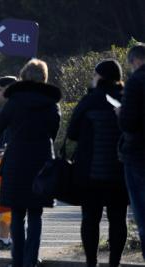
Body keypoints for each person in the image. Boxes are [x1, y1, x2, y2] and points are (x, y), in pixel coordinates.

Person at [0, 59, 60, 267]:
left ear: (23, 76)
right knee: (36, 214)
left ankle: (18, 260)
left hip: (16, 161)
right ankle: (30, 260)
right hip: (41, 161)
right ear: (44, 77)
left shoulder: (16, 100)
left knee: (18, 213)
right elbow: (53, 131)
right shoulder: (50, 102)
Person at [67, 59, 129, 267]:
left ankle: (91, 262)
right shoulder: (126, 99)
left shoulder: (89, 100)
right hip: (120, 171)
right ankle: (114, 262)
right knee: (118, 219)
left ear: (100, 76)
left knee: (90, 220)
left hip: (90, 172)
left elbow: (72, 133)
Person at [119, 43, 145, 260]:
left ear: (136, 60)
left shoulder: (135, 83)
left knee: (142, 211)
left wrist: (119, 112)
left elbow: (127, 122)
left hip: (137, 154)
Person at [0, 76, 17, 251]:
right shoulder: (4, 109)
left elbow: (0, 135)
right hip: (2, 160)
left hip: (9, 162)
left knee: (9, 205)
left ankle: (12, 240)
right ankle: (5, 239)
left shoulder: (12, 110)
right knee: (3, 205)